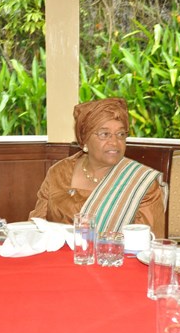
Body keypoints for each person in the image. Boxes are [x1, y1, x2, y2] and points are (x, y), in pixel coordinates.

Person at [29, 98, 168, 237]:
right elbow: (35, 228)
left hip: (113, 257)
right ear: (84, 140)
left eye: (121, 134)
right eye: (104, 134)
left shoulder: (140, 183)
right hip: (56, 256)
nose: (114, 142)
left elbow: (148, 244)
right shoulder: (59, 173)